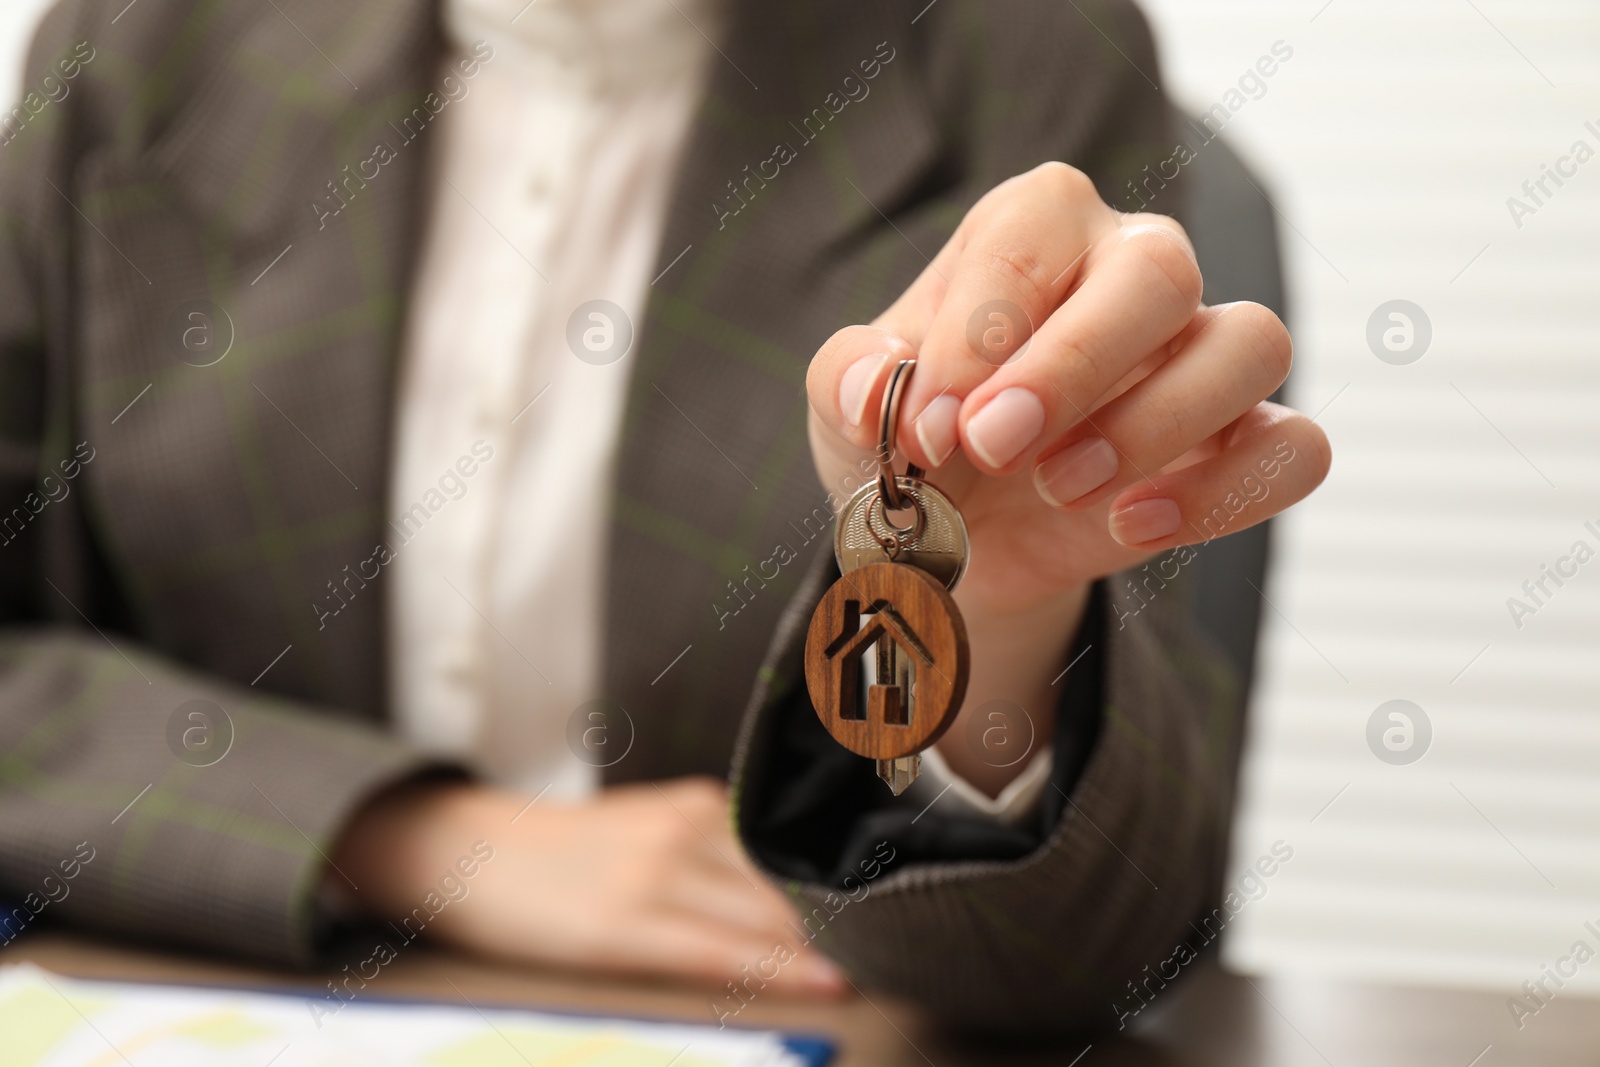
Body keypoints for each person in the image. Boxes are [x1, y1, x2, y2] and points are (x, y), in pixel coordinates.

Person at [0, 0, 1328, 1037]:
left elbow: (1068, 959)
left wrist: (988, 615)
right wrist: (406, 839)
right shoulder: (134, 51)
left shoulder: (1020, 62)